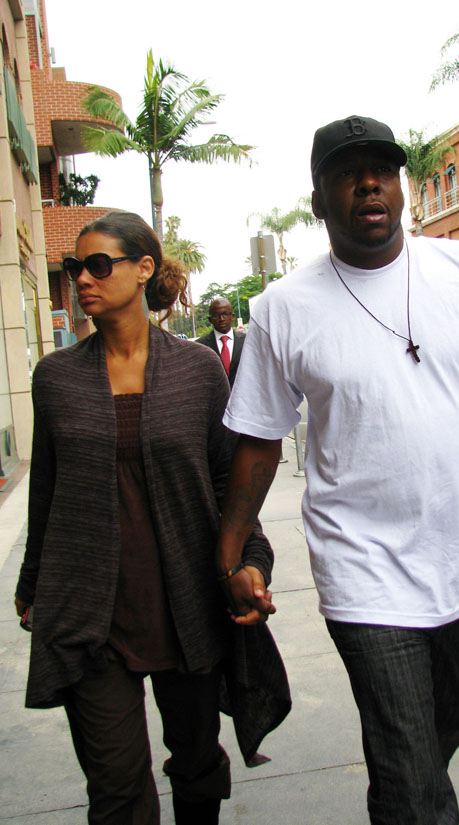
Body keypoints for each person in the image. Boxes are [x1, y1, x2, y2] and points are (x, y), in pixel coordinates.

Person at [215, 116, 459, 825]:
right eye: (347, 171)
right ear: (319, 200)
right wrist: (233, 551)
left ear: (398, 186)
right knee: (409, 772)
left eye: (383, 169)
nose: (369, 182)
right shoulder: (282, 309)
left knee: (434, 735)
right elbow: (258, 442)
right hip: (364, 571)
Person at [14, 212, 287, 825]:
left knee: (194, 763)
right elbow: (48, 490)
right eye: (74, 268)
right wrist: (34, 583)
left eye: (99, 265)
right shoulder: (54, 378)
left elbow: (226, 480)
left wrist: (248, 559)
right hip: (89, 609)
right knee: (115, 788)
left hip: (184, 601)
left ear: (143, 270)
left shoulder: (196, 371)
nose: (83, 279)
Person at [197, 297, 246, 387]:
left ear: (232, 316)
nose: (222, 318)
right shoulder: (199, 346)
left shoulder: (247, 342)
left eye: (225, 314)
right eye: (216, 315)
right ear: (210, 319)